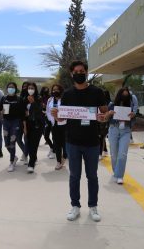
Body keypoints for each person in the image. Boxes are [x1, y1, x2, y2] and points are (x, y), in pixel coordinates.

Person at [52, 60, 107, 222]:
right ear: (71, 74)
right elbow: (63, 116)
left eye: (82, 70)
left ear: (87, 72)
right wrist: (56, 114)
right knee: (74, 176)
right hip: (73, 142)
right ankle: (75, 206)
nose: (79, 73)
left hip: (92, 142)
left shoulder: (97, 92)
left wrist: (104, 117)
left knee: (92, 176)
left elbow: (105, 113)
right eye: (76, 71)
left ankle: (93, 206)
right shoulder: (67, 94)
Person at [107, 87, 136, 184]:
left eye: (127, 95)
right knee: (114, 154)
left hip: (126, 131)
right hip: (113, 129)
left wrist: (133, 115)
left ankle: (119, 176)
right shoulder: (111, 105)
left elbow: (133, 119)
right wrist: (109, 113)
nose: (125, 97)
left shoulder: (130, 106)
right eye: (123, 95)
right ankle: (116, 172)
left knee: (122, 155)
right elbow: (105, 117)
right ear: (119, 95)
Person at [0, 82, 26, 172]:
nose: (11, 88)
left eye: (12, 87)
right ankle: (14, 157)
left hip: (15, 122)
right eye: (9, 87)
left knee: (12, 141)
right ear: (7, 88)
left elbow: (23, 114)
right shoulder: (4, 98)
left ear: (15, 88)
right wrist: (1, 113)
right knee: (6, 144)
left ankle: (11, 163)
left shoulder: (19, 99)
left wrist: (24, 126)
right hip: (6, 122)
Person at [46, 84, 67, 170]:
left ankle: (64, 157)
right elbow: (47, 111)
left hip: (65, 125)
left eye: (57, 90)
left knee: (65, 143)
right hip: (54, 125)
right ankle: (58, 161)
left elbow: (68, 111)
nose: (55, 91)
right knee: (57, 144)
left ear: (61, 90)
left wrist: (61, 118)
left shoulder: (65, 100)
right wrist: (52, 120)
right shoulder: (50, 100)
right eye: (53, 90)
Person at [25, 83, 43, 173]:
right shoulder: (25, 98)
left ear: (35, 89)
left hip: (37, 124)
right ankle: (34, 157)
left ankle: (31, 163)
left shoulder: (39, 98)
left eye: (32, 88)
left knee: (34, 144)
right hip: (28, 124)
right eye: (29, 88)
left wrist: (33, 102)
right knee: (28, 143)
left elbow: (40, 111)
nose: (30, 89)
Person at [40, 86, 55, 159]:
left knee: (54, 136)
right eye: (45, 90)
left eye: (47, 90)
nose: (46, 91)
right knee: (46, 136)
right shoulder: (40, 97)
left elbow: (51, 107)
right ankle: (52, 148)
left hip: (52, 119)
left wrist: (46, 106)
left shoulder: (51, 98)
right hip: (44, 118)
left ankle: (54, 151)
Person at [16, 82, 29, 164]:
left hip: (29, 122)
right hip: (19, 121)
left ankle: (26, 155)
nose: (25, 88)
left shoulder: (32, 98)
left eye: (26, 87)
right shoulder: (19, 98)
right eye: (23, 86)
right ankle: (26, 153)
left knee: (26, 139)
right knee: (18, 139)